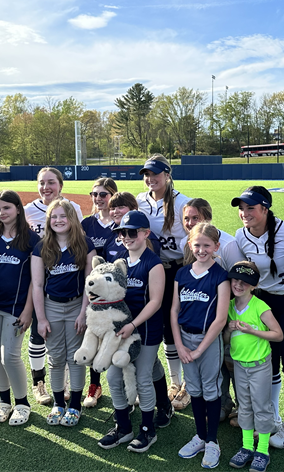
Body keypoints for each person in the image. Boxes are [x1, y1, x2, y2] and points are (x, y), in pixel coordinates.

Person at [231, 186, 284, 450]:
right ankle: (273, 419)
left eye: (250, 207)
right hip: (263, 302)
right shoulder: (240, 237)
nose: (244, 213)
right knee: (269, 363)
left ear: (265, 209)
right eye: (242, 208)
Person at [96, 210, 166, 453]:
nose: (126, 237)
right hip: (121, 332)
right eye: (122, 232)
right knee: (114, 377)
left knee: (143, 376)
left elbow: (155, 302)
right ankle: (123, 426)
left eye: (132, 232)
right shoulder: (120, 263)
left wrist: (132, 325)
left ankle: (148, 429)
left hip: (145, 329)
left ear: (146, 233)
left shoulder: (154, 264)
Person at [31, 198, 96, 427]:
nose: (58, 220)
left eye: (63, 216)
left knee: (76, 358)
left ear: (72, 219)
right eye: (54, 216)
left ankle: (75, 405)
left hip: (77, 305)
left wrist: (83, 313)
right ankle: (59, 403)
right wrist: (41, 319)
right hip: (52, 306)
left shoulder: (85, 244)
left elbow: (90, 281)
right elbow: (37, 285)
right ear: (48, 220)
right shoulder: (41, 247)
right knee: (56, 358)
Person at [136, 155, 191, 422]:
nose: (150, 178)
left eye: (155, 173)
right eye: (146, 174)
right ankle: (172, 382)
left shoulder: (182, 202)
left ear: (167, 175)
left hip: (178, 269)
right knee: (154, 326)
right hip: (151, 270)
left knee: (176, 328)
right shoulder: (139, 200)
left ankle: (184, 384)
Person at [172, 222, 230, 469]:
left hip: (208, 341)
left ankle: (213, 441)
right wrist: (180, 346)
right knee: (194, 389)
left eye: (207, 245)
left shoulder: (220, 275)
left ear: (216, 246)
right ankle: (200, 436)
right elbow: (174, 311)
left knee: (210, 388)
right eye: (197, 245)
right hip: (185, 339)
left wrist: (198, 349)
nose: (202, 249)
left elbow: (220, 319)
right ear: (189, 245)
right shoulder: (182, 274)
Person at [0, 190, 39, 426]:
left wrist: (28, 310)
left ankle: (22, 403)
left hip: (17, 307)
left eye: (6, 208)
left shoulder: (31, 240)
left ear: (17, 209)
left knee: (10, 356)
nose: (1, 212)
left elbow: (36, 280)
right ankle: (4, 402)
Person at [179, 198, 244, 417]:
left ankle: (243, 407)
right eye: (186, 218)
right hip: (203, 307)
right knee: (217, 364)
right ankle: (224, 402)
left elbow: (237, 279)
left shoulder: (227, 244)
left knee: (231, 358)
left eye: (195, 218)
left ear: (207, 218)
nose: (189, 222)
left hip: (227, 308)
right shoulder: (187, 243)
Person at [24, 167, 83, 406]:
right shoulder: (28, 211)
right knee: (44, 340)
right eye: (41, 182)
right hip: (41, 281)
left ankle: (70, 394)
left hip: (73, 293)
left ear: (60, 185)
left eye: (51, 182)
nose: (46, 187)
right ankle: (41, 383)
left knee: (72, 350)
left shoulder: (74, 212)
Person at [223, 261, 284, 472]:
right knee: (245, 406)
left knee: (261, 406)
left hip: (259, 366)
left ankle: (263, 451)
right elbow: (225, 339)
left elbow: (278, 335)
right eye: (235, 280)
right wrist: (229, 330)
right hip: (239, 365)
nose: (238, 285)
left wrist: (252, 331)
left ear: (253, 286)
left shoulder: (260, 306)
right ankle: (247, 446)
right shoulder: (229, 306)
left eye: (244, 282)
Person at [80, 177, 118, 408]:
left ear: (113, 196)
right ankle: (94, 385)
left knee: (117, 339)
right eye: (94, 194)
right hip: (93, 291)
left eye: (103, 194)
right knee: (92, 337)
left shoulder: (120, 222)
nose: (98, 199)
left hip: (116, 291)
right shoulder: (86, 224)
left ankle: (121, 385)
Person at [103, 192, 161, 263]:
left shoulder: (146, 236)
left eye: (121, 207)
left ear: (134, 209)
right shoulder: (111, 235)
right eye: (112, 208)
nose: (115, 211)